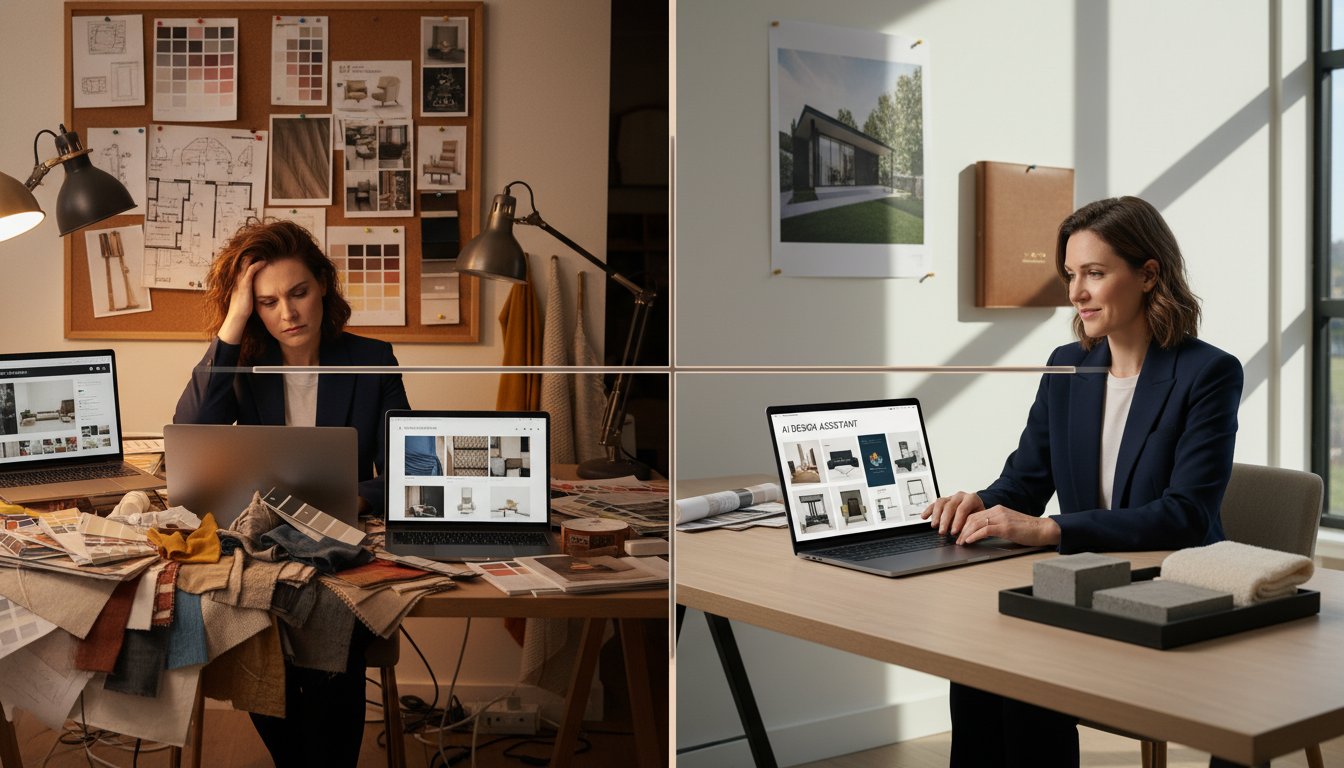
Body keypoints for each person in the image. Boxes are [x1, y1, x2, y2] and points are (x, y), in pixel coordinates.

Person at [922, 196, 1245, 768]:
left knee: (1025, 668)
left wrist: (1051, 530)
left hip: (1172, 590)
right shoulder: (1067, 367)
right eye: (1071, 274)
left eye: (1094, 273)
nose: (1076, 292)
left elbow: (1185, 516)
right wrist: (978, 503)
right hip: (1085, 586)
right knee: (978, 658)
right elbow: (1023, 484)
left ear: (1149, 275)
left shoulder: (1208, 373)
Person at [175, 218, 410, 766]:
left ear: (322, 285)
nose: (288, 313)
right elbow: (192, 430)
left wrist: (358, 497)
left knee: (333, 618)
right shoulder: (241, 365)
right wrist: (233, 321)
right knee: (252, 610)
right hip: (265, 545)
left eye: (299, 292)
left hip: (341, 542)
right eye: (267, 301)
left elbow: (408, 467)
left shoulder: (372, 360)